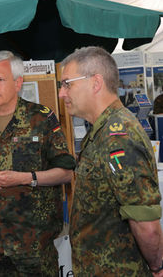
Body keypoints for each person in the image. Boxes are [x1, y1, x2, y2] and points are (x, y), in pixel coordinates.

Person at [0, 50, 76, 277]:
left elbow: (66, 172)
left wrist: (27, 178)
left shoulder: (41, 118)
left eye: (0, 79)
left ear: (18, 83)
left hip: (34, 244)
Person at [58, 46, 163, 276]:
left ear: (96, 83)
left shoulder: (119, 137)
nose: (61, 93)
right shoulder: (101, 131)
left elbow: (145, 223)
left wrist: (157, 267)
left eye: (67, 84)